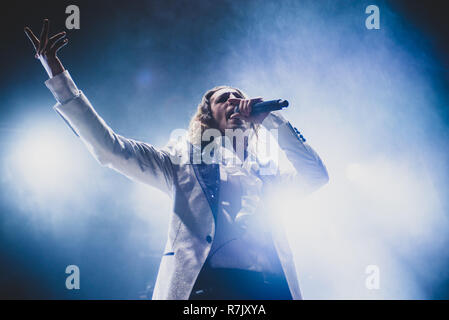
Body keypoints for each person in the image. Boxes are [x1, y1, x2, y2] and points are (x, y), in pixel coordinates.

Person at [25, 19, 329, 300]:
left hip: (270, 289)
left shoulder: (266, 172)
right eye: (225, 98)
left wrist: (275, 120)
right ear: (209, 116)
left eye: (239, 96)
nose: (235, 100)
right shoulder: (181, 164)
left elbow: (316, 176)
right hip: (211, 291)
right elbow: (109, 148)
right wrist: (57, 76)